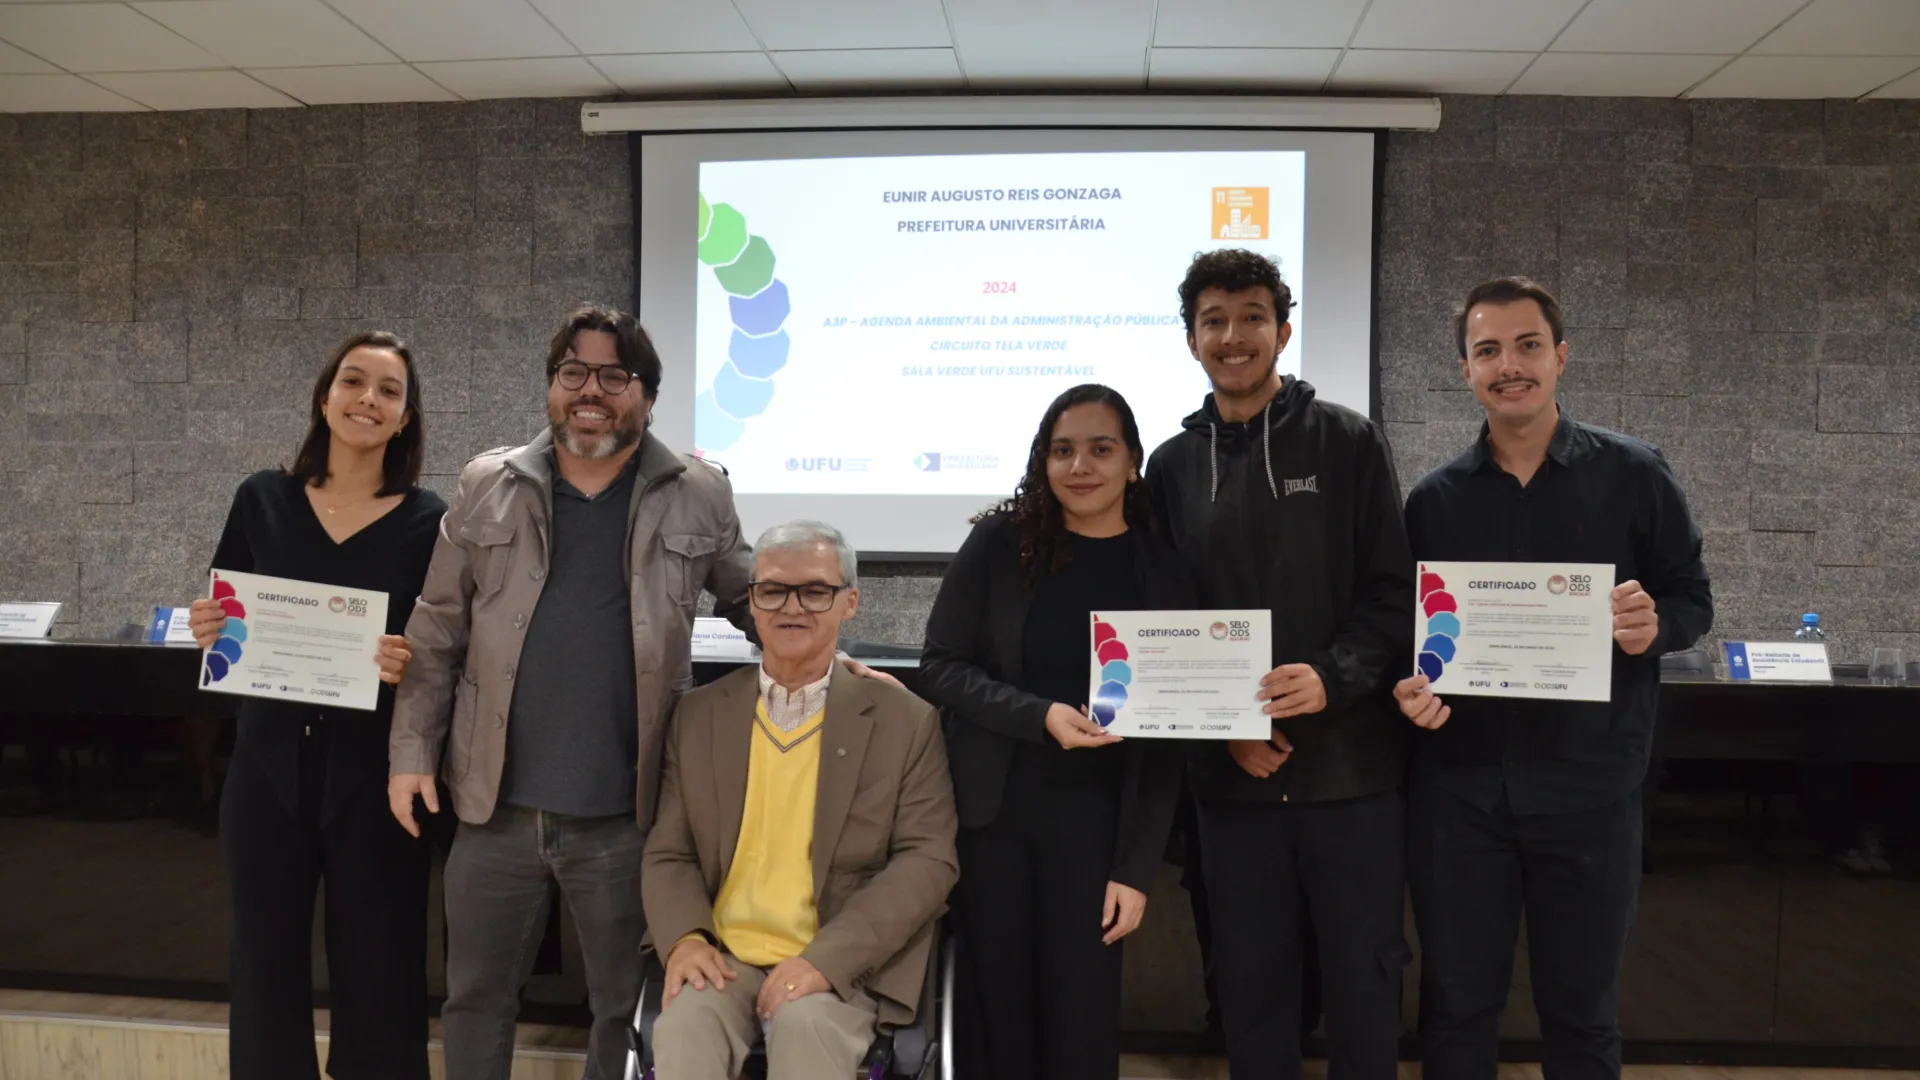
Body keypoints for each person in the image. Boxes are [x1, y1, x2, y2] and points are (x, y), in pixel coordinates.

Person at [1393, 277, 1713, 1080]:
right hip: (1461, 798)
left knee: (1582, 1014)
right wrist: (1410, 687)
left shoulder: (1635, 474)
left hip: (1590, 793)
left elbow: (1691, 598)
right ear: (1466, 370)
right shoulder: (1433, 501)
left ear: (1561, 356)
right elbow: (1409, 637)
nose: (1510, 365)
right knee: (1455, 1009)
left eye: (1527, 345)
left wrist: (1655, 626)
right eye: (1488, 350)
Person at [1144, 250, 1414, 1080]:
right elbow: (1163, 624)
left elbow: (1393, 595)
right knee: (1251, 985)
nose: (1234, 336)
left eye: (1252, 317)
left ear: (1283, 331)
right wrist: (1223, 729)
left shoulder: (1348, 441)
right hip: (1234, 783)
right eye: (1214, 321)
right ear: (1190, 339)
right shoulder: (1170, 467)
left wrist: (1331, 676)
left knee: (1365, 981)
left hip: (1351, 775)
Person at [920, 383, 1194, 1080]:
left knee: (1081, 1021)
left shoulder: (1162, 571)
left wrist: (1136, 869)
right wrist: (1038, 716)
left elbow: (1168, 737)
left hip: (1097, 833)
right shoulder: (999, 544)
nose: (1080, 466)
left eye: (1101, 449)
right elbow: (942, 666)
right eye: (1062, 450)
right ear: (1042, 460)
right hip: (993, 821)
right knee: (994, 1019)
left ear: (1132, 461)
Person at [189, 331, 441, 1080]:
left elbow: (443, 647)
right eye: (353, 381)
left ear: (404, 417)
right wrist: (210, 626)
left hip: (376, 777)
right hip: (267, 768)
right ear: (325, 397)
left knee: (382, 969)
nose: (368, 399)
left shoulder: (429, 519)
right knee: (263, 966)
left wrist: (408, 659)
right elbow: (228, 618)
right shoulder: (262, 499)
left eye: (389, 390)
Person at [644, 520, 958, 1079]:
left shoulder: (905, 722)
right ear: (751, 602)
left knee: (805, 1026)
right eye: (772, 590)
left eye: (815, 590)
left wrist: (825, 961)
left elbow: (928, 862)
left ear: (850, 602)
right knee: (685, 1026)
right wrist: (687, 940)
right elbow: (670, 851)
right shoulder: (697, 716)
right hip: (724, 957)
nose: (792, 607)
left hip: (842, 967)